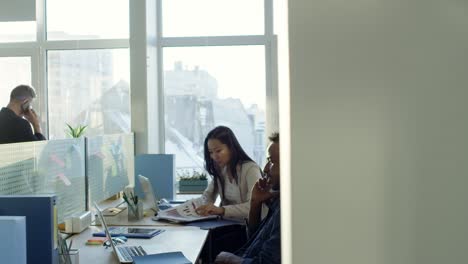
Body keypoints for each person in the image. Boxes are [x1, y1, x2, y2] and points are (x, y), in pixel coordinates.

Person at [214, 132, 281, 264]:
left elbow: (264, 261)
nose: (266, 169)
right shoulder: (279, 201)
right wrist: (255, 203)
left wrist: (229, 259)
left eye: (272, 162)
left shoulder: (288, 211)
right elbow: (255, 240)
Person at [195, 126, 263, 220]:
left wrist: (221, 210)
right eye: (211, 152)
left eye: (218, 151)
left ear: (231, 148)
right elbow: (208, 196)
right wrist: (199, 207)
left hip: (246, 227)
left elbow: (253, 206)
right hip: (228, 223)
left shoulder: (250, 169)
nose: (214, 156)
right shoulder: (222, 170)